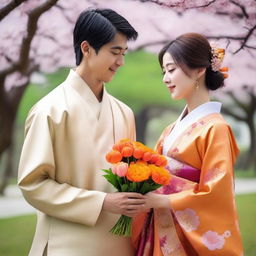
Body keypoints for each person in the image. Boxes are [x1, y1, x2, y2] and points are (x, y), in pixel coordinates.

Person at [18, 8, 146, 256]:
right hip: (66, 245)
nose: (121, 61)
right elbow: (33, 184)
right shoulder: (49, 110)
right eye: (114, 52)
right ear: (86, 48)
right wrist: (101, 202)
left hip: (118, 244)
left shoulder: (124, 112)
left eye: (124, 53)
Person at [132, 33, 244, 256]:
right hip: (163, 230)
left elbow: (216, 195)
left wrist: (163, 199)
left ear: (199, 70)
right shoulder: (169, 131)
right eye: (164, 72)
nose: (165, 78)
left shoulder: (216, 129)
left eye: (171, 70)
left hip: (189, 238)